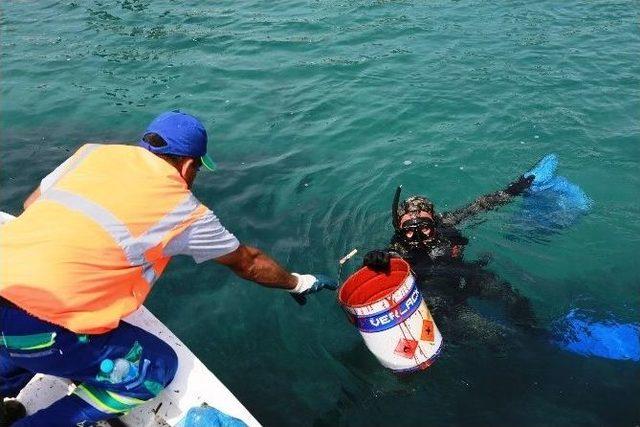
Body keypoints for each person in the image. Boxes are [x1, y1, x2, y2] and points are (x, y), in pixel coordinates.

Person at [0, 111, 337, 426]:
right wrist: (298, 282)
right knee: (153, 368)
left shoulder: (92, 154)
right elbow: (249, 263)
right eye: (199, 169)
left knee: (16, 340)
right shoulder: (182, 208)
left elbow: (31, 205)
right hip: (42, 326)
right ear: (190, 165)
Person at [363, 172, 539, 340]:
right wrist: (375, 261)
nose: (418, 237)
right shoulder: (398, 246)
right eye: (409, 231)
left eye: (425, 228)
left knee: (505, 292)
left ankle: (533, 328)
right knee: (489, 334)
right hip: (438, 295)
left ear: (433, 220)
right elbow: (384, 263)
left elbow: (480, 206)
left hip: (466, 276)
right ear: (400, 229)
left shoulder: (446, 224)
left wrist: (514, 189)